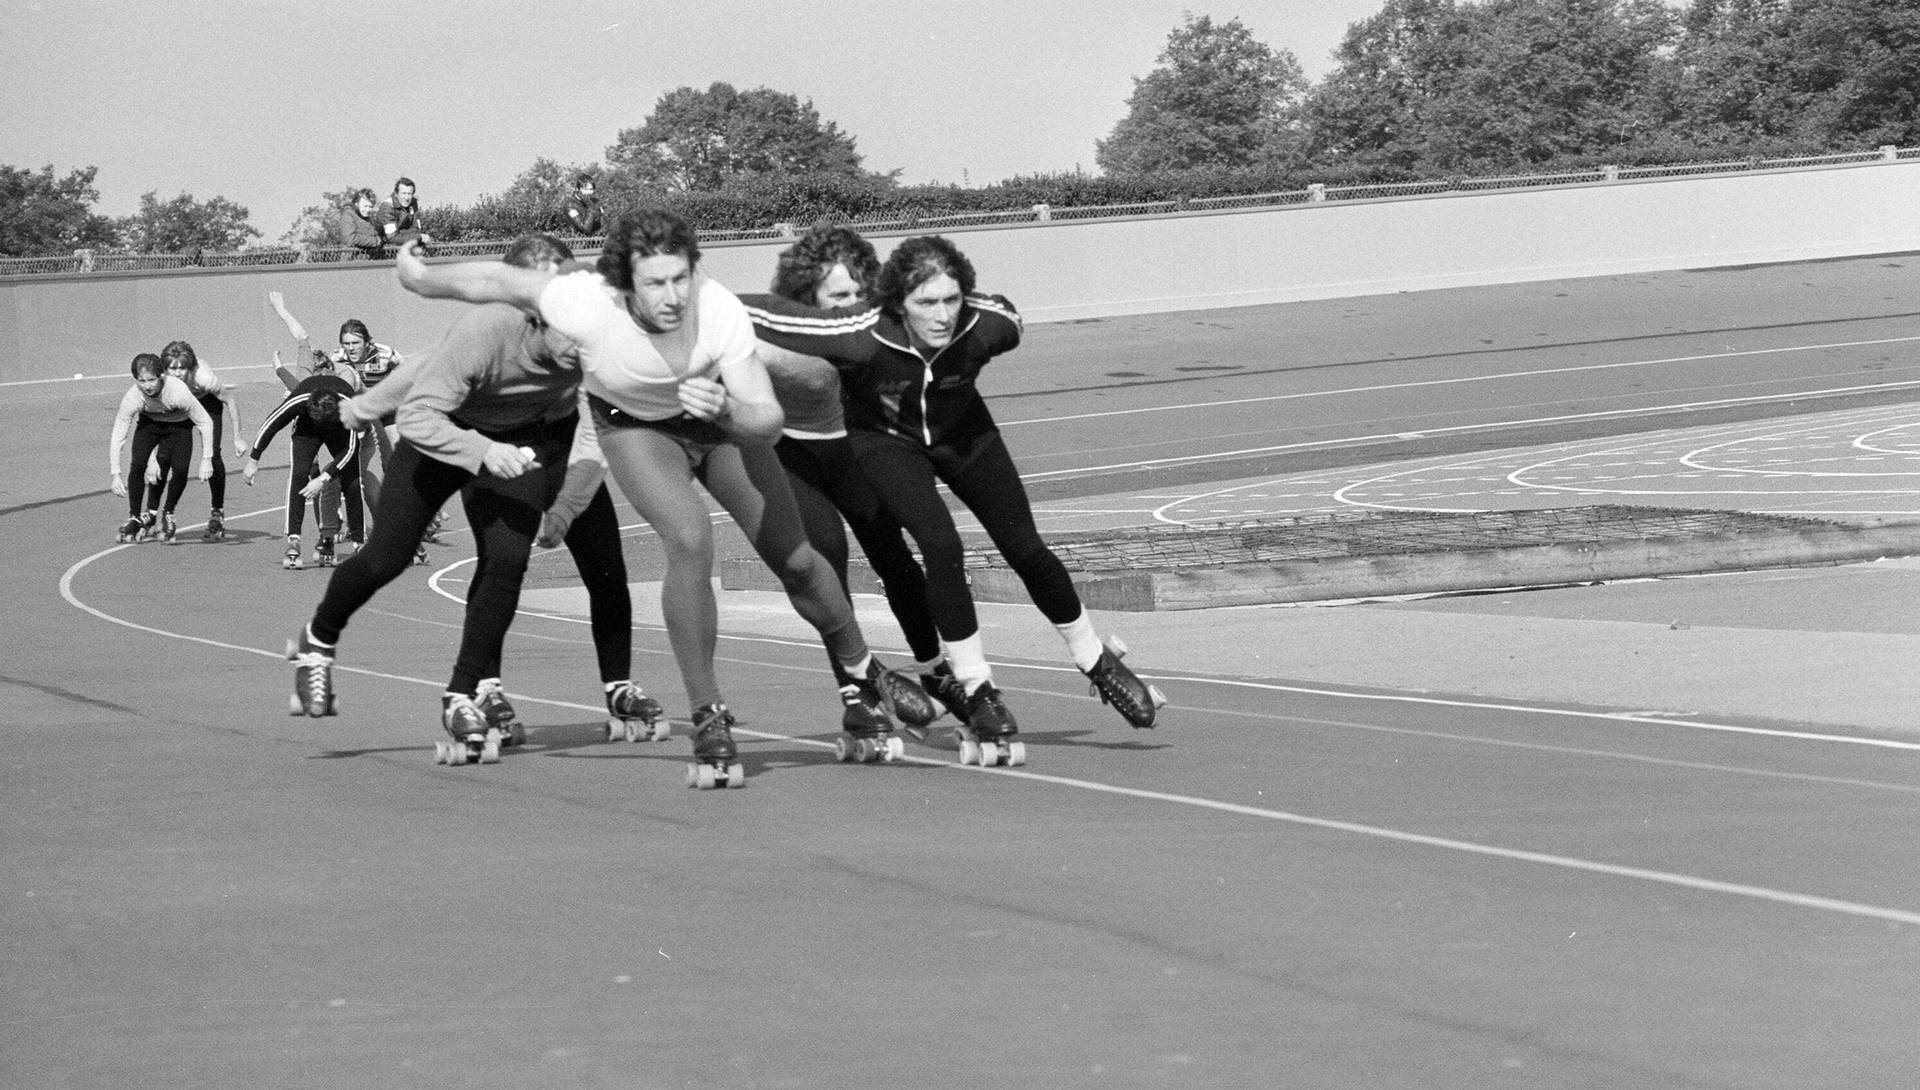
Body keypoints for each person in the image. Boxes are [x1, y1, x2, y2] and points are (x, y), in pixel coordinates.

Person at [393, 210, 935, 785]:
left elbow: (768, 421)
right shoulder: (586, 302)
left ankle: (862, 670)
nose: (673, 296)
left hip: (720, 425)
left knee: (797, 560)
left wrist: (727, 410)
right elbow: (493, 282)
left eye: (681, 278)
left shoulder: (717, 309)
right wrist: (419, 277)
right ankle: (708, 713)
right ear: (624, 284)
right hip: (636, 432)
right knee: (690, 537)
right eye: (655, 283)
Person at [742, 235, 1168, 763]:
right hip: (846, 445)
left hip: (927, 435)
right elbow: (750, 313)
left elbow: (999, 313)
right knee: (892, 549)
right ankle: (919, 690)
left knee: (991, 549)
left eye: (950, 301)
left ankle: (1069, 662)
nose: (941, 315)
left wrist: (982, 306)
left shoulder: (982, 327)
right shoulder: (842, 332)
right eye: (926, 303)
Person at [286, 233, 668, 759]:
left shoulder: (596, 326)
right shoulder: (486, 331)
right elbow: (419, 402)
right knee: (390, 554)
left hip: (539, 437)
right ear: (525, 307)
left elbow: (593, 424)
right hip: (449, 435)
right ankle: (318, 641)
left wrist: (569, 504)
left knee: (592, 559)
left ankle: (512, 689)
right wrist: (374, 407)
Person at [242, 371, 364, 568]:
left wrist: (323, 478)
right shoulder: (299, 401)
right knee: (299, 474)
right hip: (306, 429)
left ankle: (359, 541)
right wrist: (253, 460)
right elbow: (271, 424)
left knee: (352, 481)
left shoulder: (349, 406)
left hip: (339, 429)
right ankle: (294, 539)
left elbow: (350, 449)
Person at [108, 353, 213, 543]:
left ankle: (168, 512)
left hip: (179, 426)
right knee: (138, 464)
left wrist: (207, 460)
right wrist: (115, 473)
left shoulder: (178, 391)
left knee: (180, 470)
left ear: (161, 376)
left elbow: (205, 422)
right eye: (141, 381)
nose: (147, 386)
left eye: (151, 380)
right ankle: (134, 516)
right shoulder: (133, 396)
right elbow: (118, 435)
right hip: (150, 424)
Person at [154, 340, 250, 540]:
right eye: (173, 369)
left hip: (207, 403)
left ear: (191, 368)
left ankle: (217, 511)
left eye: (183, 369)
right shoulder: (162, 378)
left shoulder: (204, 378)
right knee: (164, 456)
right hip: (181, 405)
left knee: (213, 454)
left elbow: (230, 400)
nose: (178, 373)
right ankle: (153, 512)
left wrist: (237, 437)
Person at [376, 177, 433, 253]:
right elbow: (392, 237)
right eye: (404, 193)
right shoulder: (387, 207)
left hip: (403, 245)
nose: (407, 198)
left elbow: (416, 229)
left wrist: (417, 236)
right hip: (381, 249)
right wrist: (419, 237)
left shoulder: (413, 203)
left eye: (409, 194)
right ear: (396, 194)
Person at [337, 188, 385, 260]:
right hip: (351, 260)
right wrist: (375, 241)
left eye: (370, 207)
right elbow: (349, 239)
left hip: (368, 258)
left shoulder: (368, 218)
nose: (368, 210)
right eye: (365, 206)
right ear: (356, 204)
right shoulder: (348, 214)